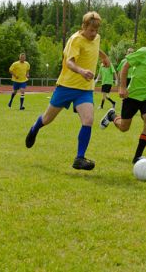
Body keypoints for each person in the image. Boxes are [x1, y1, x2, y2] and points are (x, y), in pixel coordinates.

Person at [25, 11, 110, 171]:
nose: (94, 34)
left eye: (96, 30)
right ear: (83, 26)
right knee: (48, 119)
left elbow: (95, 48)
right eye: (91, 30)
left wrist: (104, 57)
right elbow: (70, 63)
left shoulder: (96, 38)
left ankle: (79, 158)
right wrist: (82, 71)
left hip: (85, 89)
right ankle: (35, 128)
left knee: (88, 120)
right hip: (66, 86)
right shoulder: (75, 40)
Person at [100, 30, 146, 164]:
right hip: (132, 95)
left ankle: (137, 156)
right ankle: (112, 116)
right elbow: (125, 67)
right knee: (124, 128)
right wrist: (122, 87)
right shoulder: (144, 52)